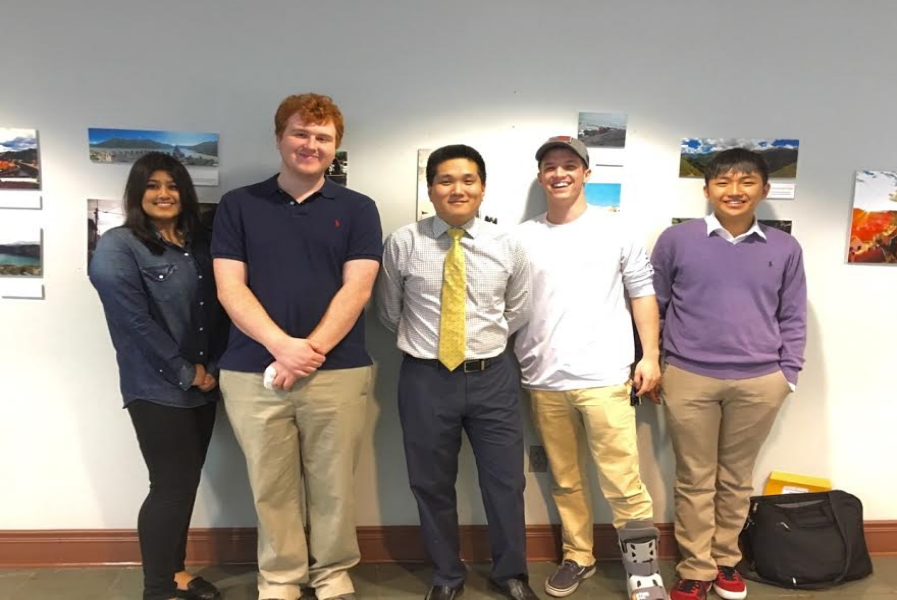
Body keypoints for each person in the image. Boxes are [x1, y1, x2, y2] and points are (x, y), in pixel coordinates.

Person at [212, 93, 382, 600]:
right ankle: (281, 577)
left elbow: (359, 288)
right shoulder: (238, 206)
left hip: (338, 370)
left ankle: (331, 574)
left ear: (337, 147)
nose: (311, 144)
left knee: (334, 483)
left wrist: (310, 351)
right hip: (250, 371)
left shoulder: (358, 209)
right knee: (271, 485)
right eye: (301, 133)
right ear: (279, 136)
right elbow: (229, 288)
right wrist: (283, 347)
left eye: (323, 137)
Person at [377, 144, 537, 600]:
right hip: (425, 378)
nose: (457, 189)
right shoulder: (404, 242)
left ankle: (511, 573)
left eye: (468, 180)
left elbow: (518, 312)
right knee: (429, 481)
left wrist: (480, 346)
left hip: (493, 377)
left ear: (482, 188)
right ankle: (447, 574)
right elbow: (390, 312)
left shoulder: (508, 246)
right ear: (431, 189)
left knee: (507, 481)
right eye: (446, 180)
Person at [513, 136, 667, 600]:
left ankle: (643, 570)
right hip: (542, 380)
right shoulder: (521, 237)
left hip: (604, 378)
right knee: (563, 478)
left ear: (585, 173)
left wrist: (651, 355)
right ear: (541, 177)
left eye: (569, 165)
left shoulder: (615, 231)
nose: (559, 174)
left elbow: (643, 293)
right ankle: (578, 555)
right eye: (550, 167)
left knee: (622, 477)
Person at [651, 148, 807, 600]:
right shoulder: (677, 239)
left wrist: (788, 374)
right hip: (688, 375)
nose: (734, 191)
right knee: (694, 477)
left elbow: (793, 316)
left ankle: (726, 562)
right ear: (706, 190)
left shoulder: (784, 247)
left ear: (764, 189)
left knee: (737, 478)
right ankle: (695, 568)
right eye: (723, 182)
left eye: (745, 182)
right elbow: (654, 307)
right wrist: (654, 363)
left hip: (761, 381)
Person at [90, 152, 226, 600]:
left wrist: (214, 371)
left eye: (172, 185)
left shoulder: (202, 244)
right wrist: (189, 372)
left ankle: (176, 572)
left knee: (184, 481)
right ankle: (157, 589)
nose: (163, 194)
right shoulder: (117, 245)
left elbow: (223, 308)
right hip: (156, 386)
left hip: (206, 383)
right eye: (153, 186)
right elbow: (134, 321)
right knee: (169, 485)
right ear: (137, 193)